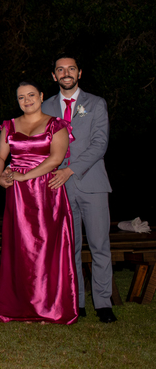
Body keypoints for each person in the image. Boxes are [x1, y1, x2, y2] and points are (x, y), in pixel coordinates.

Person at [0, 81, 78, 325]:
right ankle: (20, 309)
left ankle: (49, 308)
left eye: (31, 95)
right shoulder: (9, 125)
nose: (27, 100)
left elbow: (56, 159)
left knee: (46, 247)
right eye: (21, 97)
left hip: (46, 191)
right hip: (18, 195)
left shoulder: (56, 125)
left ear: (41, 96)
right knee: (20, 248)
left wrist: (24, 176)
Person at [42, 54, 116, 323]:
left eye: (71, 69)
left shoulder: (96, 103)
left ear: (79, 73)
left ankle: (103, 303)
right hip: (59, 186)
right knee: (69, 247)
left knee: (99, 245)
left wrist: (70, 170)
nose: (66, 73)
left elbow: (100, 144)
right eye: (60, 69)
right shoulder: (45, 106)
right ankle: (76, 301)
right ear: (54, 76)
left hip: (92, 183)